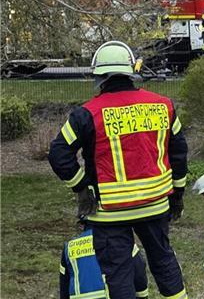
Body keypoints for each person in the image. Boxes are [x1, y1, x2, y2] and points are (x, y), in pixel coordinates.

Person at [49, 41, 189, 299]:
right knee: (164, 263)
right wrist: (178, 194)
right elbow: (179, 155)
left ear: (99, 76)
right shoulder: (163, 106)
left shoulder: (86, 114)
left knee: (119, 275)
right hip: (155, 205)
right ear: (130, 71)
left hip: (108, 213)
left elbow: (59, 154)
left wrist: (82, 188)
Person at [60, 223, 149, 299]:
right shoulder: (122, 241)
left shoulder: (70, 247)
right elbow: (139, 273)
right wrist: (143, 296)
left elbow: (64, 288)